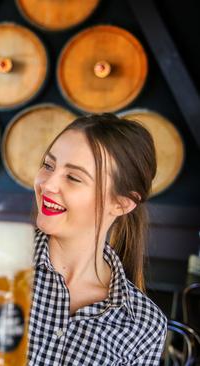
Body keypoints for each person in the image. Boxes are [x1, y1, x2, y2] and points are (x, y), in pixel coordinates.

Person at [28, 113, 167, 365]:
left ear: (121, 203)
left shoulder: (145, 325)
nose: (47, 185)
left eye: (73, 177)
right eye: (49, 165)